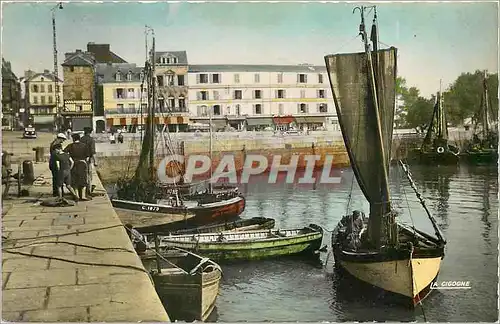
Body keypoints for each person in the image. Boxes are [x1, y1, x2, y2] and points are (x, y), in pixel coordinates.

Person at [64, 133, 91, 201]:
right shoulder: (84, 146)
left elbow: (64, 153)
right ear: (79, 138)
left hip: (74, 164)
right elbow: (87, 157)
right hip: (82, 164)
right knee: (83, 180)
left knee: (75, 181)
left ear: (73, 139)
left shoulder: (70, 146)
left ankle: (77, 196)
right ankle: (83, 196)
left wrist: (70, 159)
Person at [80, 127, 96, 197]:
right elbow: (92, 152)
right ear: (90, 132)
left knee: (82, 175)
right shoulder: (91, 140)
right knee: (89, 176)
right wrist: (95, 161)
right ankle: (88, 191)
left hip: (80, 159)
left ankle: (81, 190)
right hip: (88, 159)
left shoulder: (81, 139)